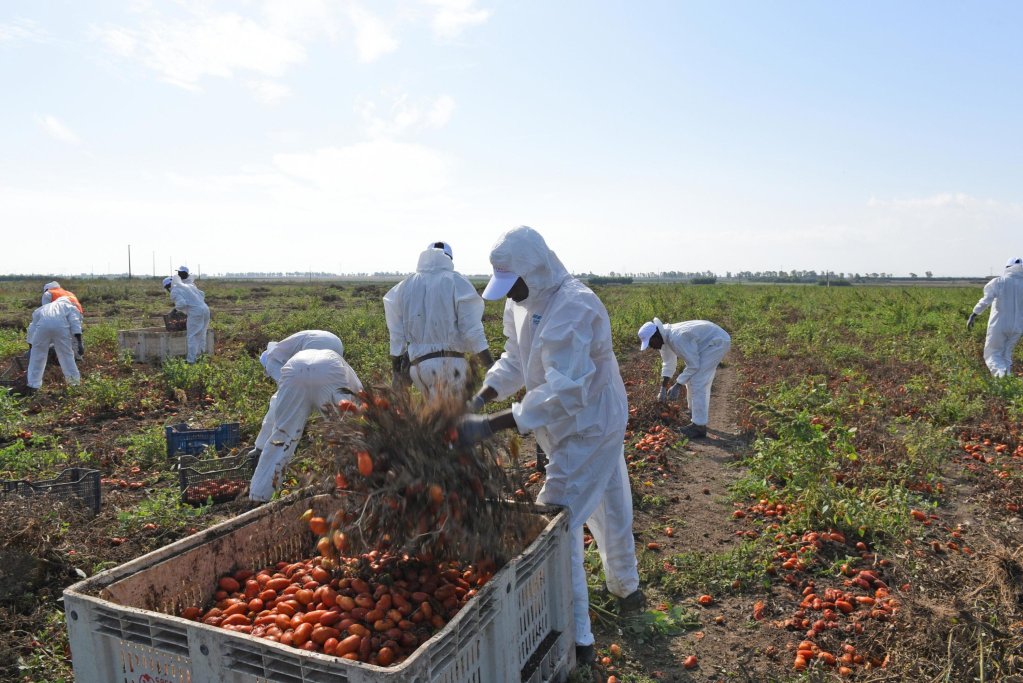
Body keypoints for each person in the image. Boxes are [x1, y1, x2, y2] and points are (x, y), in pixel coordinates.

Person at [459, 226, 642, 665]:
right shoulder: (520, 303)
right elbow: (516, 360)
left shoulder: (574, 307)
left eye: (516, 283)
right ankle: (627, 589)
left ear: (536, 269)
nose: (513, 293)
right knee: (609, 503)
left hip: (590, 422)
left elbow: (565, 392)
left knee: (556, 521)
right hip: (566, 425)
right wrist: (480, 397)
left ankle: (578, 641)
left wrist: (491, 424)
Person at [248, 348, 363, 502]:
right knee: (344, 435)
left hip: (294, 370)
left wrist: (262, 442)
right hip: (329, 371)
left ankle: (258, 495)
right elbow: (358, 407)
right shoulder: (348, 374)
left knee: (281, 436)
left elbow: (276, 411)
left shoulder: (296, 355)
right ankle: (352, 488)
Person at [383, 241, 493, 399]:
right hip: (449, 367)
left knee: (432, 417)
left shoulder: (404, 286)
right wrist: (490, 365)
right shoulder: (455, 281)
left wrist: (396, 374)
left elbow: (396, 335)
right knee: (454, 421)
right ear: (450, 259)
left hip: (418, 368)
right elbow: (472, 330)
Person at [246, 330, 346, 461]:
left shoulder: (271, 361)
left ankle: (262, 448)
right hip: (336, 342)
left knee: (277, 402)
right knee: (330, 394)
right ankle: (345, 441)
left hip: (315, 345)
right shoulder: (283, 349)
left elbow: (286, 390)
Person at [637, 318, 731, 439]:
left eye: (650, 343)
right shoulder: (664, 339)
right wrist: (663, 389)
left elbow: (693, 365)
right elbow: (668, 363)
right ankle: (693, 412)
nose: (652, 347)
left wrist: (677, 384)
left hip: (716, 342)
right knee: (693, 378)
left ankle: (699, 426)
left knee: (698, 381)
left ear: (656, 336)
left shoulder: (677, 338)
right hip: (708, 341)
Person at [968, 256, 1023, 378]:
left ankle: (1002, 380)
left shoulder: (999, 282)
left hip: (999, 325)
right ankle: (1008, 381)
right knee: (1006, 355)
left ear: (1007, 267)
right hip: (1018, 327)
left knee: (992, 354)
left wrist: (974, 313)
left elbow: (986, 300)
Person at [25, 296, 83, 392]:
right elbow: (75, 323)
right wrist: (79, 342)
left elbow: (32, 327)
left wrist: (32, 346)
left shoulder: (42, 308)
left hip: (42, 328)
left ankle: (33, 385)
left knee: (37, 356)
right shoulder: (70, 307)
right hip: (61, 328)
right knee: (66, 355)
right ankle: (74, 383)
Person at [163, 266, 210, 364]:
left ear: (168, 286)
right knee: (202, 334)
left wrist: (175, 310)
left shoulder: (175, 290)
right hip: (205, 309)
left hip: (196, 312)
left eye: (167, 288)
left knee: (192, 336)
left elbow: (182, 304)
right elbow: (202, 294)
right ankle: (201, 357)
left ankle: (190, 361)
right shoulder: (188, 285)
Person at [41, 281, 84, 360]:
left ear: (46, 289)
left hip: (62, 315)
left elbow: (47, 311)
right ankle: (77, 357)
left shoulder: (48, 293)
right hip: (78, 314)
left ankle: (59, 358)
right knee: (75, 336)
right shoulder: (69, 293)